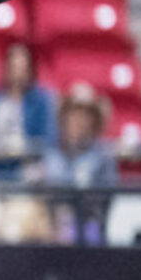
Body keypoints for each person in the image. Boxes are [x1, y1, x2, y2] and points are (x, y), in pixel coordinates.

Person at [42, 86, 118, 245]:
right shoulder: (52, 154)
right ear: (64, 119)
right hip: (52, 229)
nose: (80, 121)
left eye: (86, 115)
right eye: (74, 114)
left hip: (89, 229)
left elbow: (101, 200)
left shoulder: (103, 157)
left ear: (95, 121)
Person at [0, 42, 57, 178]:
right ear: (5, 69)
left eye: (22, 68)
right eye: (13, 67)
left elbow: (47, 139)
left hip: (28, 164)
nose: (18, 73)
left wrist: (21, 148)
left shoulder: (41, 100)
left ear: (31, 70)